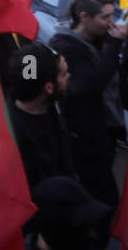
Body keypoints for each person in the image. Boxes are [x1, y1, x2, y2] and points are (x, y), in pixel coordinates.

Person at [48, 0, 126, 207]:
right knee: (102, 194)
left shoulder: (99, 40)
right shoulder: (65, 46)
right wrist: (115, 46)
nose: (109, 22)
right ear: (84, 17)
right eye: (105, 17)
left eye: (111, 16)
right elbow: (90, 84)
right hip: (85, 135)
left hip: (105, 129)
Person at [5, 42, 76, 191]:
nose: (69, 76)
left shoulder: (48, 105)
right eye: (63, 74)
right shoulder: (15, 139)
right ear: (49, 88)